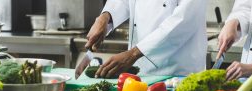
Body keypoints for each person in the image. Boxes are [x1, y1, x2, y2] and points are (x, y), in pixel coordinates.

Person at [75, 0, 208, 78]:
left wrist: (133, 53)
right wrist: (106, 16)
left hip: (177, 71)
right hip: (141, 72)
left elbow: (183, 20)